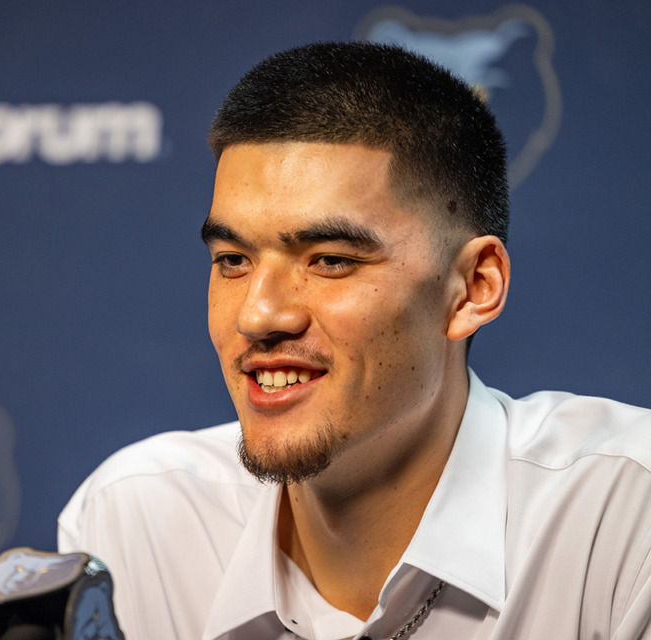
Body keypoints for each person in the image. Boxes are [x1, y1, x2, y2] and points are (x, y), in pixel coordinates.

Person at [57, 42, 651, 640]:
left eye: (331, 260)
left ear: (473, 287)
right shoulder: (133, 524)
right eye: (233, 259)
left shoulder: (626, 515)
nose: (259, 315)